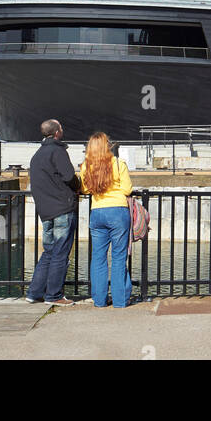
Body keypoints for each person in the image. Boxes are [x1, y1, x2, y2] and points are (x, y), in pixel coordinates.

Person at [26, 118, 79, 306]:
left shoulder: (37, 155)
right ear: (57, 132)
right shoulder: (58, 151)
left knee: (48, 252)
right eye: (61, 128)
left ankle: (34, 292)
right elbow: (69, 176)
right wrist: (77, 186)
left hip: (45, 211)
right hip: (62, 208)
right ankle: (54, 295)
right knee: (60, 253)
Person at [79, 132, 133, 308]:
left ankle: (100, 300)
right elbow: (127, 189)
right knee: (118, 257)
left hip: (97, 212)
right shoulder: (118, 163)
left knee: (98, 257)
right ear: (107, 145)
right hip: (118, 212)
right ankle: (120, 301)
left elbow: (85, 189)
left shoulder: (87, 166)